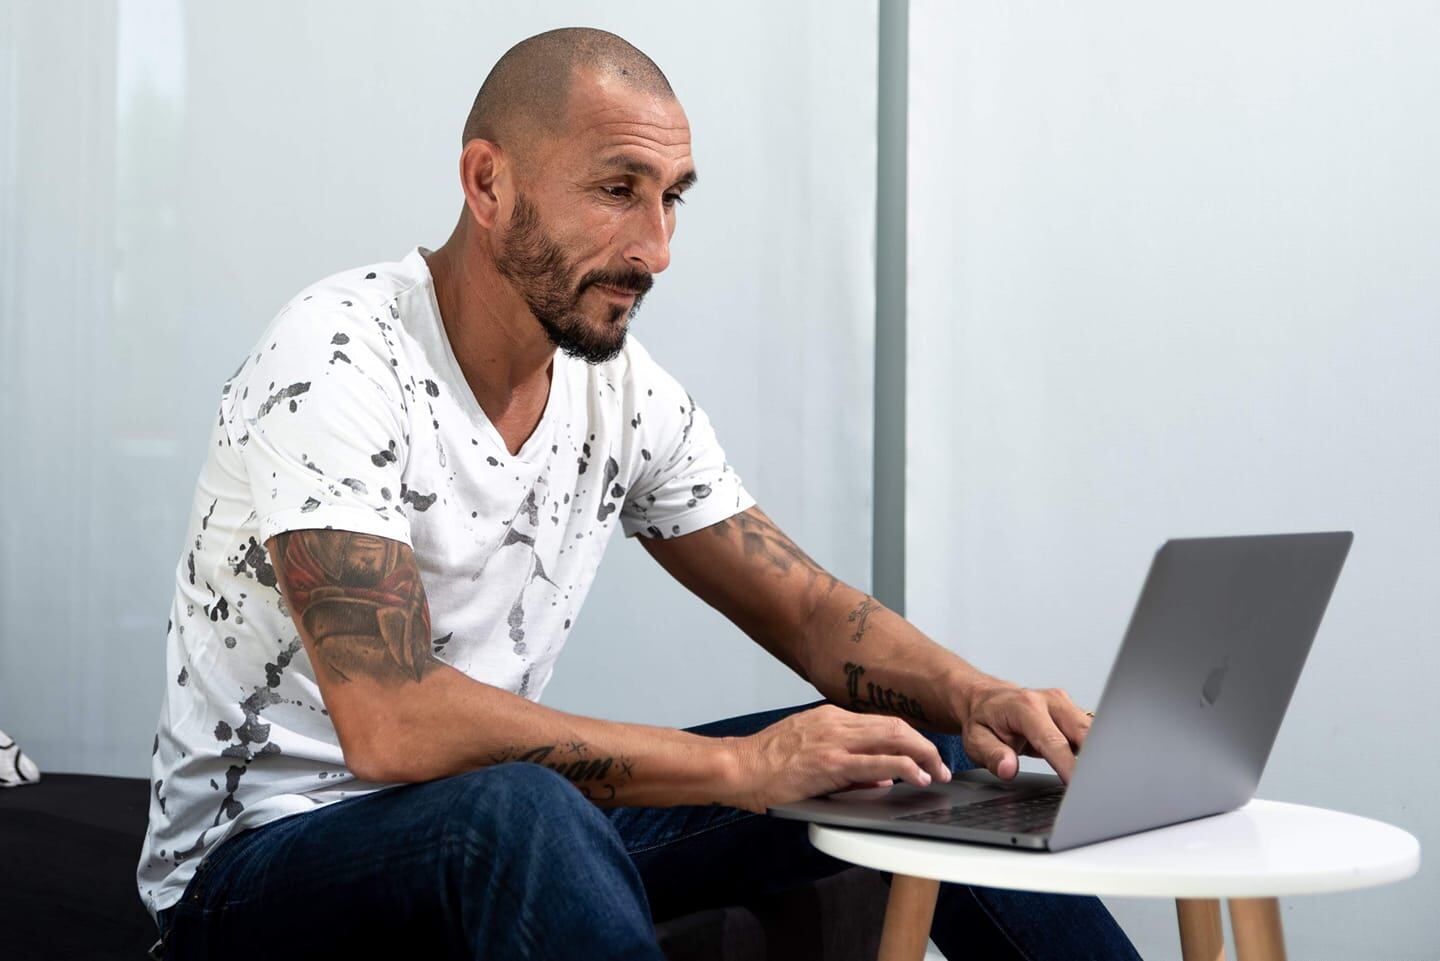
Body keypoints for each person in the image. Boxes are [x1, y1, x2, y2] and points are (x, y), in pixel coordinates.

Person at [137, 26, 1141, 961]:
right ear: (487, 184)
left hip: (485, 814)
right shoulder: (339, 357)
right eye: (618, 190)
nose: (655, 249)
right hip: (255, 871)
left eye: (672, 197)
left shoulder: (616, 388)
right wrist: (743, 769)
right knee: (522, 814)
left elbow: (802, 604)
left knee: (917, 756)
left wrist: (976, 696)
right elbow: (392, 719)